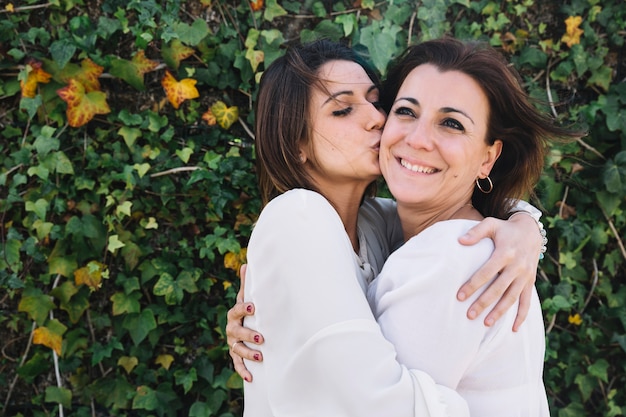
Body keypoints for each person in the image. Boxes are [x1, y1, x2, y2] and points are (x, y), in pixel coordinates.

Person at [233, 39, 546, 416]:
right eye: (343, 110)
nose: (377, 119)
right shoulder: (298, 215)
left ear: (488, 157)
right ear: (295, 140)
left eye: (377, 102)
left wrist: (525, 227)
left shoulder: (377, 223)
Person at [367, 38, 581, 416]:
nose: (417, 139)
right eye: (406, 111)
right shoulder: (401, 227)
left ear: (488, 158)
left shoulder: (453, 257)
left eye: (451, 123)